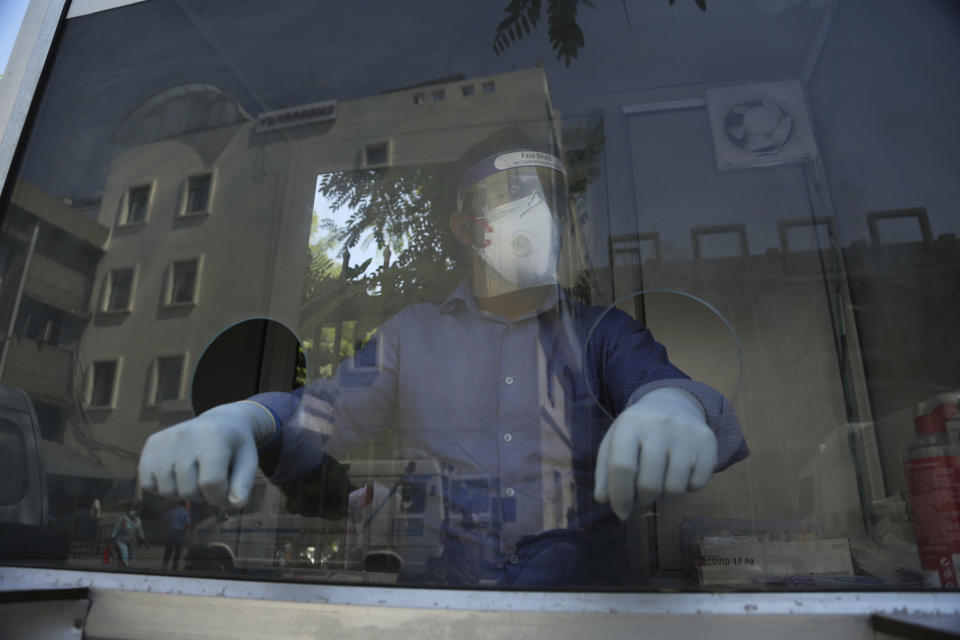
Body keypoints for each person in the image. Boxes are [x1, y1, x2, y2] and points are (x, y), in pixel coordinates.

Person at [139, 128, 749, 586]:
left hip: (582, 617)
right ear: (465, 225)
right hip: (441, 616)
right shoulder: (411, 337)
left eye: (547, 199)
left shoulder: (603, 334)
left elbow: (664, 390)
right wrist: (249, 418)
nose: (534, 214)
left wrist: (672, 401)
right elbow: (322, 417)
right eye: (511, 196)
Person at [111, 502, 148, 567]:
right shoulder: (121, 519)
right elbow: (114, 533)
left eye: (133, 509)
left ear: (136, 511)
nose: (132, 511)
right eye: (130, 509)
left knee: (132, 561)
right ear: (127, 510)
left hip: (132, 542)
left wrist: (145, 542)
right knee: (124, 558)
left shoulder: (138, 520)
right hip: (121, 542)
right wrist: (111, 545)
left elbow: (140, 532)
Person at [162, 499, 191, 571]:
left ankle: (165, 565)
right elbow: (187, 523)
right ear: (184, 505)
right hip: (179, 533)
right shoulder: (185, 512)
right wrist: (187, 533)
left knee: (168, 550)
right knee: (177, 551)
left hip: (171, 532)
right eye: (188, 504)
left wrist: (165, 531)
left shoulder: (172, 511)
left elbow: (165, 521)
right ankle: (175, 567)